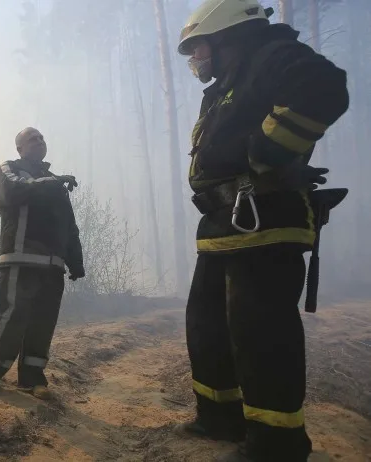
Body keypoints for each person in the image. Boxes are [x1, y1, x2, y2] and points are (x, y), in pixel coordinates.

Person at [175, 1, 349, 461]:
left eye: (199, 47)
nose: (196, 59)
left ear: (226, 34)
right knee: (207, 327)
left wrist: (266, 151)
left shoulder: (272, 54)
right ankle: (219, 417)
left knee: (260, 335)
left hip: (263, 220)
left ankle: (276, 445)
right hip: (222, 224)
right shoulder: (225, 85)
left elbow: (323, 88)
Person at [0, 127, 84, 400]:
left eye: (42, 138)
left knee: (43, 323)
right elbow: (13, 192)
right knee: (12, 317)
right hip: (20, 259)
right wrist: (53, 183)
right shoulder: (9, 169)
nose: (39, 141)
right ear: (19, 148)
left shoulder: (56, 183)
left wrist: (75, 262)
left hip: (53, 266)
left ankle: (32, 378)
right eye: (32, 139)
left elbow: (69, 226)